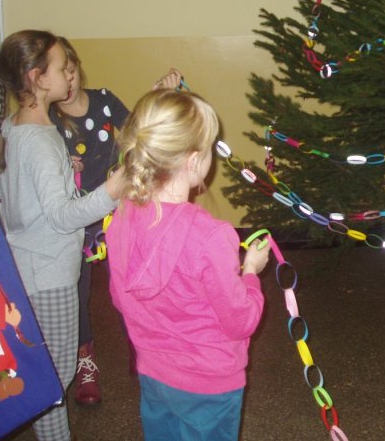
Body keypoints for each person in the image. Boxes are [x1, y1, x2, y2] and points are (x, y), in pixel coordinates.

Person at [106, 89, 270, 441]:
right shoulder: (211, 237)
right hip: (210, 384)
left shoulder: (121, 218)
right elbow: (240, 320)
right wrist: (251, 272)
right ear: (194, 161)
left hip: (153, 372)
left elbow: (122, 300)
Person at [0, 30, 124, 441]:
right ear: (37, 78)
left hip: (26, 266)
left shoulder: (15, 127)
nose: (71, 72)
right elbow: (65, 217)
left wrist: (62, 174)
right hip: (51, 274)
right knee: (54, 379)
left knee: (43, 374)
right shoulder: (42, 140)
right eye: (63, 66)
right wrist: (112, 191)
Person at [50, 37, 181, 406]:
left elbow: (134, 133)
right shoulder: (49, 121)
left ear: (76, 67)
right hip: (77, 221)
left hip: (121, 216)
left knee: (133, 287)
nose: (69, 81)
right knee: (76, 291)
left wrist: (154, 96)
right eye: (61, 74)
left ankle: (145, 354)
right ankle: (84, 357)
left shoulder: (105, 101)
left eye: (71, 70)